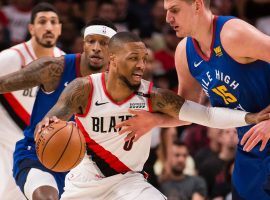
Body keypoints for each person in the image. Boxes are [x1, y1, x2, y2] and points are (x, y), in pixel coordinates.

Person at [35, 32, 270, 200]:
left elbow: (205, 114)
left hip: (127, 182)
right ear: (113, 60)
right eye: (133, 58)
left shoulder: (152, 96)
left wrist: (250, 117)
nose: (141, 65)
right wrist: (44, 130)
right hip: (83, 184)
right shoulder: (82, 89)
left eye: (144, 58)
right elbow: (53, 119)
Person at [115, 0, 270, 199]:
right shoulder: (184, 53)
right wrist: (155, 120)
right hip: (251, 144)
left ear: (197, 5)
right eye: (167, 11)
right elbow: (189, 112)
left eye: (175, 10)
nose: (168, 18)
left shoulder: (233, 34)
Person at [0, 18, 117, 200]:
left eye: (104, 43)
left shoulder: (118, 86)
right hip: (38, 155)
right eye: (90, 41)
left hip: (84, 168)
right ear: (82, 44)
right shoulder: (55, 69)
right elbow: (3, 83)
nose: (96, 47)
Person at [0, 3, 63, 199]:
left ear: (60, 28)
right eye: (42, 22)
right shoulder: (10, 58)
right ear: (31, 28)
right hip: (4, 145)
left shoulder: (64, 62)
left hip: (37, 150)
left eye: (53, 22)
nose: (48, 27)